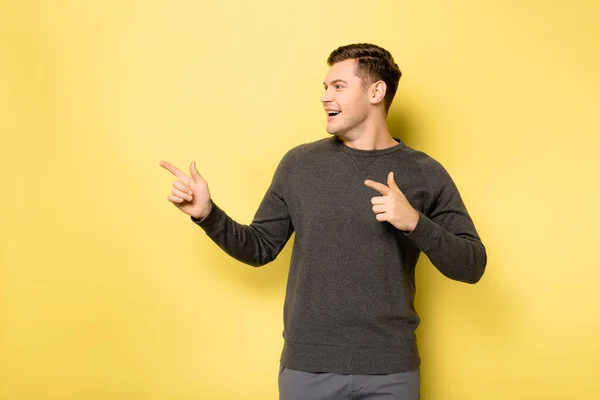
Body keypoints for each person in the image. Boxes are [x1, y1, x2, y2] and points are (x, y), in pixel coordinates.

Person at [160, 43, 486, 400]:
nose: (324, 96)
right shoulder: (300, 165)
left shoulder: (425, 173)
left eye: (338, 86)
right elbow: (260, 248)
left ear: (376, 91)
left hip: (391, 371)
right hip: (308, 369)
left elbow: (472, 266)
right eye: (325, 86)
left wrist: (413, 222)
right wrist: (208, 215)